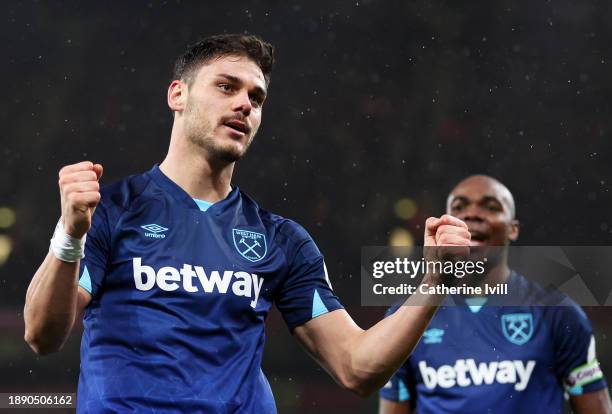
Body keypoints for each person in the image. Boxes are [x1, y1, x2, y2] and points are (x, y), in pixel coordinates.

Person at [23, 34, 471, 413]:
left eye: (256, 98)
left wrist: (436, 282)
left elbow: (356, 367)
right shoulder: (112, 211)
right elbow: (42, 336)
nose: (244, 105)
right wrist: (70, 236)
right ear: (177, 94)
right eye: (226, 87)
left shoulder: (282, 240)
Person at [379, 175, 612, 414]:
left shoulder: (557, 312)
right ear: (443, 226)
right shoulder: (405, 317)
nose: (472, 214)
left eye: (490, 207)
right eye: (459, 207)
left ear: (513, 229)